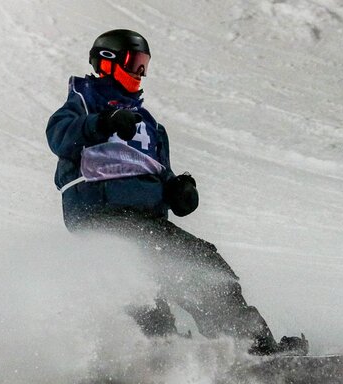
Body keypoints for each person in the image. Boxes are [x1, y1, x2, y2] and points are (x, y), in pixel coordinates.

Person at [45, 29, 307, 356]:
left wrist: (176, 190)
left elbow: (158, 170)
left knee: (203, 268)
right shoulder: (84, 100)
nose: (140, 72)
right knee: (160, 277)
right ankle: (170, 352)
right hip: (101, 213)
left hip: (144, 219)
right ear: (108, 62)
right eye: (134, 62)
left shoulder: (149, 125)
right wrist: (103, 122)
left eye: (144, 65)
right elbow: (58, 135)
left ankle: (228, 348)